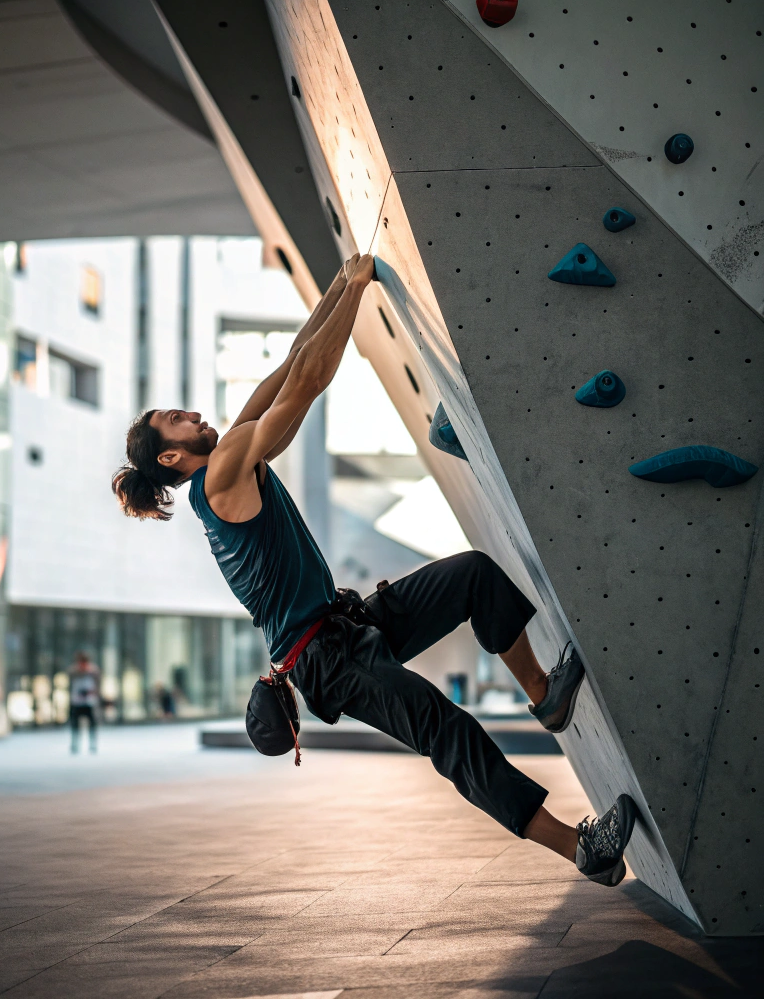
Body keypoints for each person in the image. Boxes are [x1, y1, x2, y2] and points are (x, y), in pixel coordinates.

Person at [112, 254, 637, 888]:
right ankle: (583, 850)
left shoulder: (227, 452)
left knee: (471, 575)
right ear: (172, 456)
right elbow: (307, 382)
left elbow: (287, 368)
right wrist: (356, 294)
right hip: (325, 658)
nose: (194, 414)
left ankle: (545, 699)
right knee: (446, 729)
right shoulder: (220, 475)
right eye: (178, 420)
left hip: (348, 621)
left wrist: (337, 285)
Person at [68, 652, 101, 754]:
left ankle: (93, 744)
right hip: (76, 702)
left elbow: (97, 686)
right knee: (75, 724)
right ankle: (75, 745)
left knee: (92, 724)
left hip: (89, 702)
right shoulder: (73, 672)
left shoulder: (93, 672)